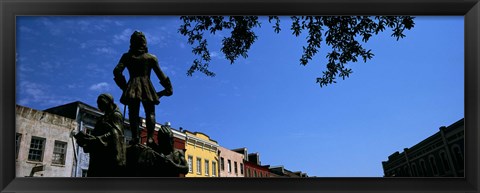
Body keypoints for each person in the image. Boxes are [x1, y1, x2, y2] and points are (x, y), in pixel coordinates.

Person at [113, 31, 173, 145]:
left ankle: (135, 137)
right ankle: (150, 138)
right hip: (147, 86)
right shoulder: (150, 58)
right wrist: (168, 87)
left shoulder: (127, 57)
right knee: (150, 112)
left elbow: (116, 71)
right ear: (144, 42)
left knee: (133, 113)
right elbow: (161, 74)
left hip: (132, 86)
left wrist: (124, 87)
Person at [73, 93, 126, 177]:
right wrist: (87, 139)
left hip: (107, 156)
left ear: (108, 102)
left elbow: (116, 132)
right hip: (97, 155)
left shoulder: (116, 115)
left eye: (100, 103)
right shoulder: (102, 118)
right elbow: (95, 134)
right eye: (98, 103)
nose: (98, 105)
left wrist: (100, 138)